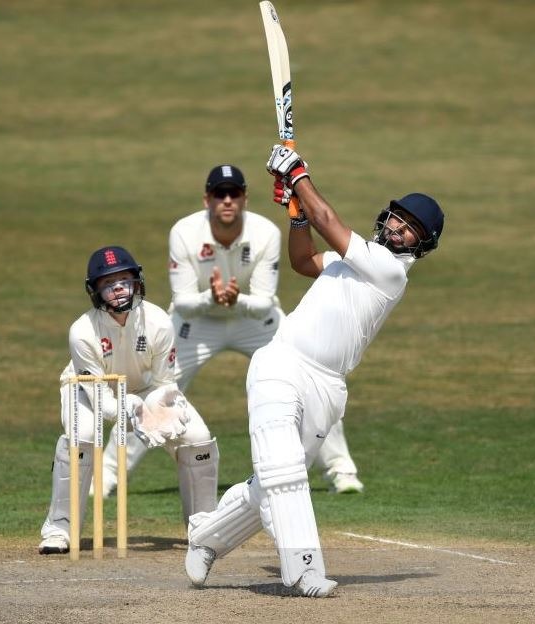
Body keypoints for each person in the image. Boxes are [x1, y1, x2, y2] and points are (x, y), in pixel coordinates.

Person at [183, 145, 445, 596]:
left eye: (410, 229)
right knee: (283, 471)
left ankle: (207, 536)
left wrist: (298, 175)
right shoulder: (354, 256)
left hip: (327, 387)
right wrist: (297, 217)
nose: (398, 229)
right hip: (282, 363)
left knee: (272, 483)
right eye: (398, 219)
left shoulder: (389, 271)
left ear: (420, 246)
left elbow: (330, 223)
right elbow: (304, 262)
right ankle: (304, 569)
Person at [96, 164, 366, 497]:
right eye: (219, 194)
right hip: (197, 323)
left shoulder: (265, 232)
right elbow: (182, 302)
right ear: (206, 199)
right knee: (156, 393)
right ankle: (107, 476)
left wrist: (235, 300)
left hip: (254, 321)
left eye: (233, 193)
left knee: (310, 379)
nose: (227, 200)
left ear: (244, 199)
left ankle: (341, 471)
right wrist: (214, 297)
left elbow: (265, 301)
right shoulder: (184, 232)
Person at [39, 245, 219, 554]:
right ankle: (59, 530)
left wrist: (160, 409)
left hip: (144, 388)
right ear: (95, 291)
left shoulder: (160, 322)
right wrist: (131, 412)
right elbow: (101, 400)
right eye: (108, 283)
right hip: (86, 388)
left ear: (137, 282)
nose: (118, 288)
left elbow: (165, 382)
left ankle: (203, 526)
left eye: (124, 280)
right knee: (80, 438)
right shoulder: (82, 332)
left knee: (198, 437)